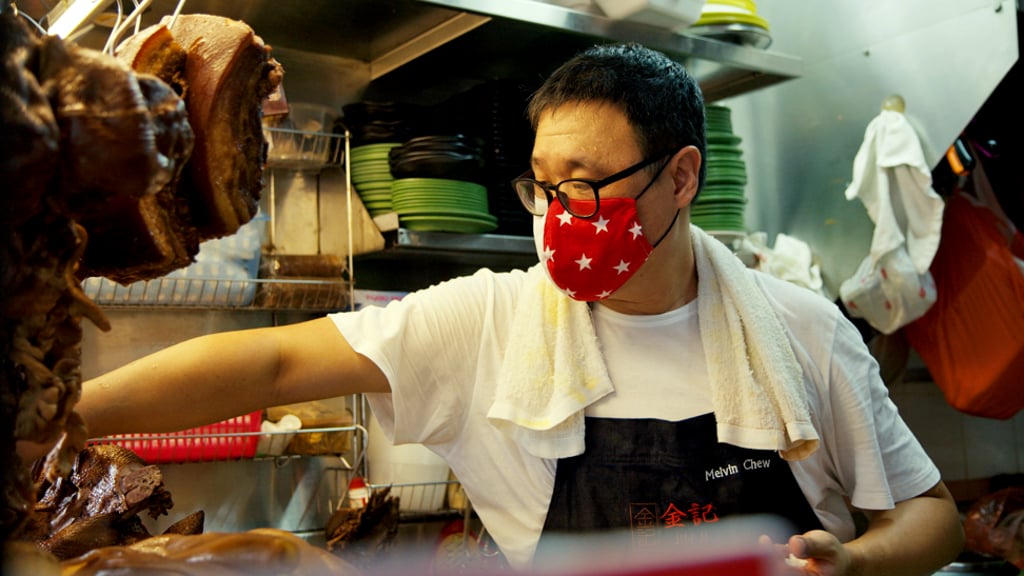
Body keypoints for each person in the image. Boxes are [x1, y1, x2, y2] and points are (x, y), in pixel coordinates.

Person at [65, 43, 962, 574]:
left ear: (683, 176)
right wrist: (56, 417)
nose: (559, 216)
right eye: (543, 187)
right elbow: (274, 364)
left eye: (587, 184)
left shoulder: (799, 329)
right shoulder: (490, 322)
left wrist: (858, 564)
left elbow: (931, 516)